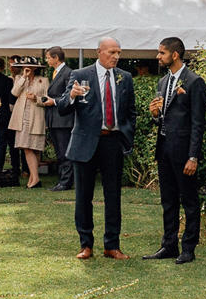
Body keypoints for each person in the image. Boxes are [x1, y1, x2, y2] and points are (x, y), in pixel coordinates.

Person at [56, 37, 137, 260]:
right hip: (85, 142)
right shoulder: (80, 75)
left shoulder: (125, 78)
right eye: (112, 52)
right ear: (99, 52)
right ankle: (86, 244)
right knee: (83, 196)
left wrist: (127, 134)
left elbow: (131, 111)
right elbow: (62, 108)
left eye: (118, 52)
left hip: (112, 142)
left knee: (113, 196)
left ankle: (112, 245)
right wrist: (71, 96)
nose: (116, 56)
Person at [143, 36, 206, 264]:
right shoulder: (162, 83)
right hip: (164, 151)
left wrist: (193, 156)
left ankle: (188, 248)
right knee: (168, 201)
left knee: (189, 200)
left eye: (161, 53)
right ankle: (168, 245)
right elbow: (164, 118)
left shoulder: (194, 82)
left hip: (184, 153)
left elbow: (198, 123)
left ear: (175, 55)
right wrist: (154, 115)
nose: (158, 56)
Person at [9, 56, 49, 189]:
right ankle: (34, 178)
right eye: (24, 66)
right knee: (26, 147)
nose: (27, 68)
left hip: (36, 117)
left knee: (35, 148)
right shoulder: (19, 79)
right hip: (21, 118)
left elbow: (47, 99)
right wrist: (24, 77)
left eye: (29, 66)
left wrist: (36, 98)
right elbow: (14, 93)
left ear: (35, 67)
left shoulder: (43, 80)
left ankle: (34, 178)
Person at [41, 47, 75, 191]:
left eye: (48, 57)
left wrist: (53, 101)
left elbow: (70, 95)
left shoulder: (68, 73)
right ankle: (62, 180)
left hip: (63, 119)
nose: (47, 60)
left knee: (64, 151)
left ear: (56, 58)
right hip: (54, 119)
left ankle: (66, 182)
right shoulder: (55, 73)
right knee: (59, 152)